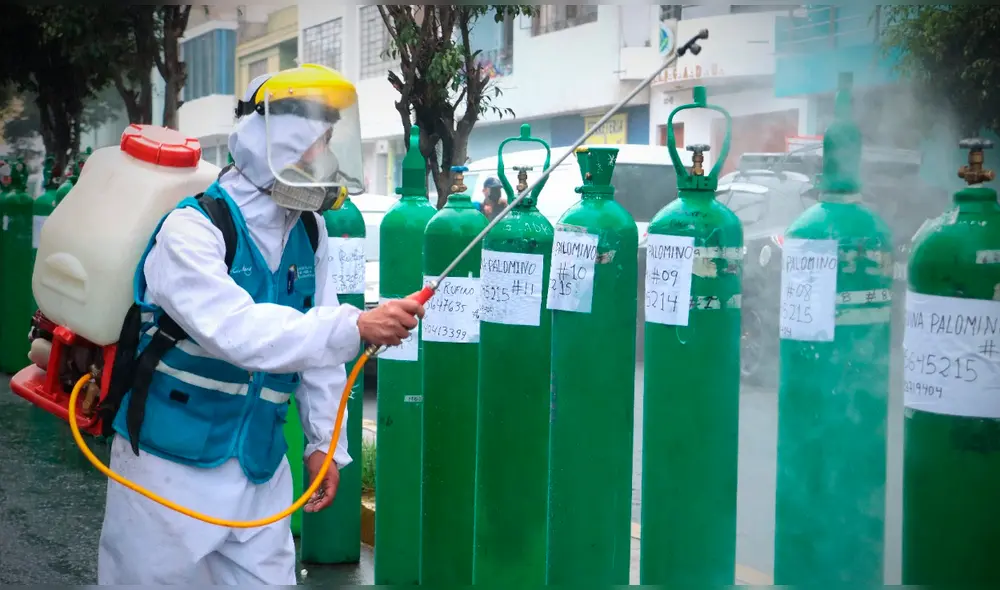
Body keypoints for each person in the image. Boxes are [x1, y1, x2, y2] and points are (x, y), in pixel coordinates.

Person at [97, 65, 424, 584]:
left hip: (259, 469)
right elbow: (237, 330)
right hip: (166, 470)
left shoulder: (309, 231)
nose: (327, 159)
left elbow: (318, 347)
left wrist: (324, 444)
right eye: (319, 142)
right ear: (278, 141)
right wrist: (356, 327)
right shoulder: (193, 229)